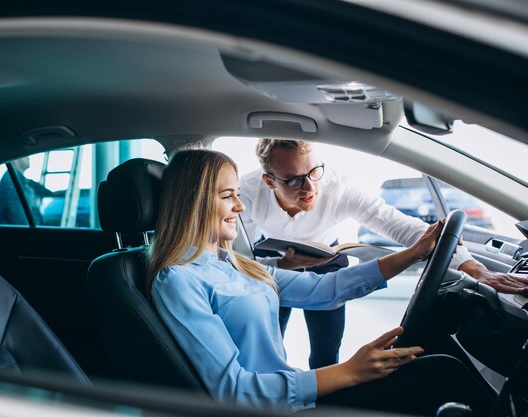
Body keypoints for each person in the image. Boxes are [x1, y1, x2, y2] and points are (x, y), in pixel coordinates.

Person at [147, 149, 494, 415]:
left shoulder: (238, 265)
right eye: (227, 196)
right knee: (441, 377)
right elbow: (236, 392)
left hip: (296, 396)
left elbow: (325, 290)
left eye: (237, 193)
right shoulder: (178, 280)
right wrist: (350, 372)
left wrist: (415, 253)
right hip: (278, 408)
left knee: (439, 363)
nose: (240, 205)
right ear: (191, 202)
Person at [240, 139, 528, 369]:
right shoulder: (247, 194)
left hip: (327, 261)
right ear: (269, 181)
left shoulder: (338, 189)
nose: (310, 187)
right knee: (266, 348)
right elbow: (237, 256)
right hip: (273, 265)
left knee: (325, 352)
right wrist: (278, 263)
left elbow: (402, 226)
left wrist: (474, 269)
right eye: (294, 181)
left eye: (315, 172)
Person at [0, 156, 54, 225]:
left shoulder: (21, 180)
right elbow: (16, 213)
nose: (28, 158)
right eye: (25, 156)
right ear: (16, 160)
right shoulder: (12, 180)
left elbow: (41, 189)